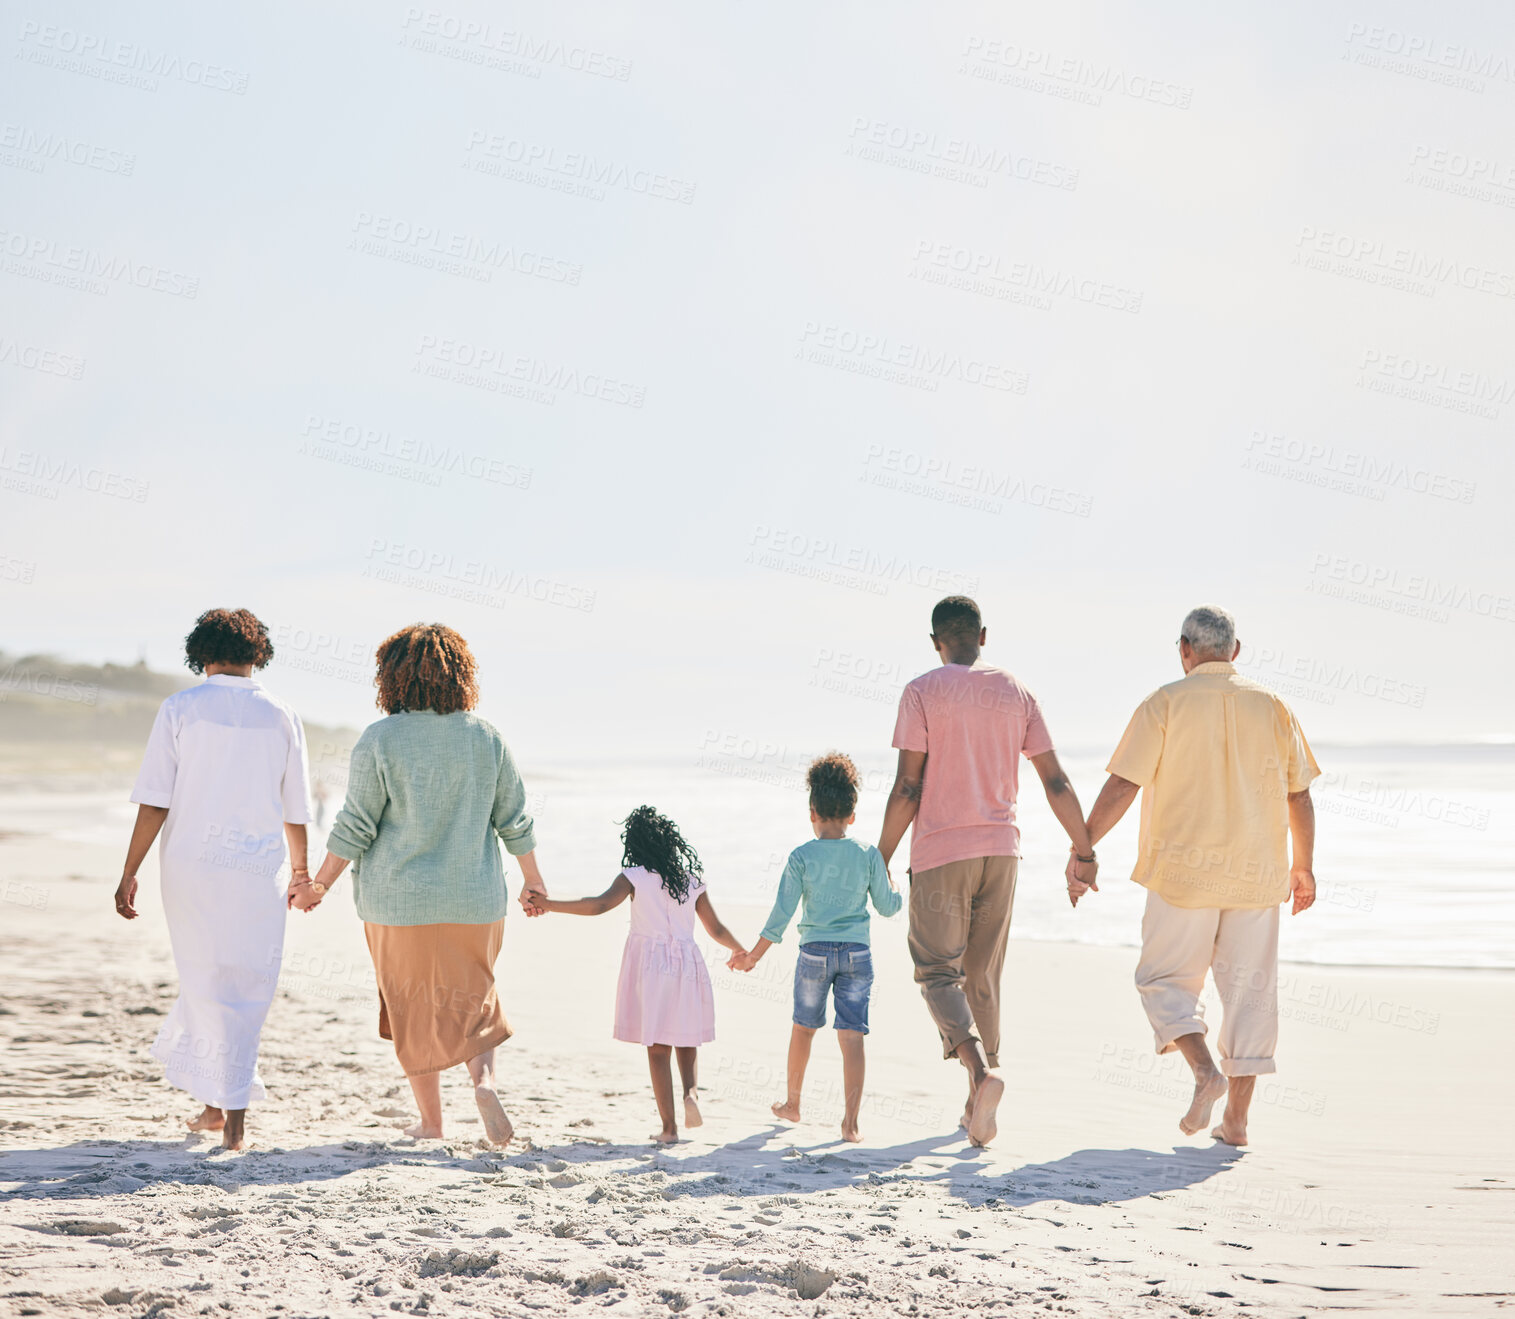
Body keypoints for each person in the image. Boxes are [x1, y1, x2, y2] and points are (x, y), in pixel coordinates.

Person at [290, 623, 547, 1147]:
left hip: (397, 901)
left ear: (393, 677)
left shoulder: (380, 739)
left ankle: (432, 1123)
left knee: (409, 1008)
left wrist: (318, 885)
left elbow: (356, 824)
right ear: (461, 675)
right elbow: (514, 820)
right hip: (474, 899)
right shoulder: (486, 737)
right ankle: (485, 1083)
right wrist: (533, 883)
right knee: (474, 998)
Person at [1077, 605, 1319, 1146]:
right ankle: (1236, 1122)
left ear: (1184, 649)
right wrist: (1303, 866)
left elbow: (1123, 785)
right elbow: (1298, 793)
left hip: (1182, 873)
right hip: (1258, 875)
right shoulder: (1273, 706)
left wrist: (1084, 848)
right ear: (1236, 651)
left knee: (1163, 981)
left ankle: (1204, 1071)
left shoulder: (1164, 702)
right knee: (1251, 996)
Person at [878, 595, 1097, 1147]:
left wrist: (877, 856)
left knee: (936, 972)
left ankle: (980, 1074)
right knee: (983, 976)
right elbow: (1055, 781)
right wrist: (1084, 849)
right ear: (983, 634)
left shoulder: (921, 691)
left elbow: (908, 786)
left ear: (936, 642)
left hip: (940, 852)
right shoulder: (1016, 691)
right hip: (1002, 851)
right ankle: (978, 1104)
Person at [114, 608, 311, 1151]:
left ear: (201, 651)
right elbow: (296, 808)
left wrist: (129, 871)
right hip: (259, 870)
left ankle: (224, 1111)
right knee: (247, 983)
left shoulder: (180, 708)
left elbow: (155, 801)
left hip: (192, 869)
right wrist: (302, 873)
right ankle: (223, 1115)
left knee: (203, 977)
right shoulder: (281, 714)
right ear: (259, 653)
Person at [526, 806, 746, 1144]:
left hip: (652, 966)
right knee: (686, 1036)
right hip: (688, 963)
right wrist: (738, 950)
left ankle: (669, 1128)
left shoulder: (634, 876)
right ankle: (691, 1093)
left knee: (658, 1047)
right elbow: (715, 927)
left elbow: (598, 905)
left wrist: (550, 903)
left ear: (635, 843)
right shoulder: (690, 881)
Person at [732, 752, 902, 1143]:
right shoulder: (868, 855)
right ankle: (851, 1124)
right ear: (852, 814)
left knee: (803, 1028)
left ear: (812, 811)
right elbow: (887, 908)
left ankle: (792, 1103)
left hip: (813, 954)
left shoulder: (801, 857)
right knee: (852, 1037)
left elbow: (781, 916)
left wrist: (753, 956)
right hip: (857, 955)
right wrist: (896, 886)